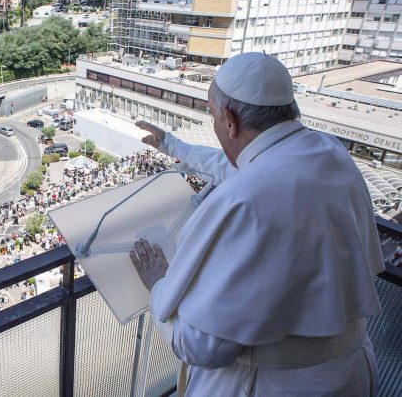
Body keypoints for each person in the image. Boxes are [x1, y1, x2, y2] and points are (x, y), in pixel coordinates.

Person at [130, 52, 383, 396]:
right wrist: (172, 144)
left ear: (230, 121)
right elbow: (248, 165)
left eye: (213, 117)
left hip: (274, 385)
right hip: (347, 372)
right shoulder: (327, 151)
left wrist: (159, 283)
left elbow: (201, 346)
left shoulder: (245, 203)